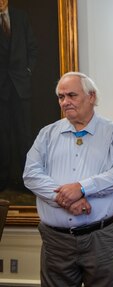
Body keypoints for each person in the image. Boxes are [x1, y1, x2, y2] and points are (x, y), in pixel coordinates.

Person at [23, 72, 113, 287]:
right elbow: (31, 174)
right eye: (60, 97)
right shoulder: (47, 134)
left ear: (91, 96)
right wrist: (65, 198)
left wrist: (83, 188)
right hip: (56, 242)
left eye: (72, 95)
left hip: (103, 239)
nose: (65, 102)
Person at [0, 0, 38, 191]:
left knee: (24, 134)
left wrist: (28, 71)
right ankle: (3, 180)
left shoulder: (21, 16)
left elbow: (32, 47)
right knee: (2, 136)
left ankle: (27, 180)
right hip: (1, 88)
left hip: (20, 86)